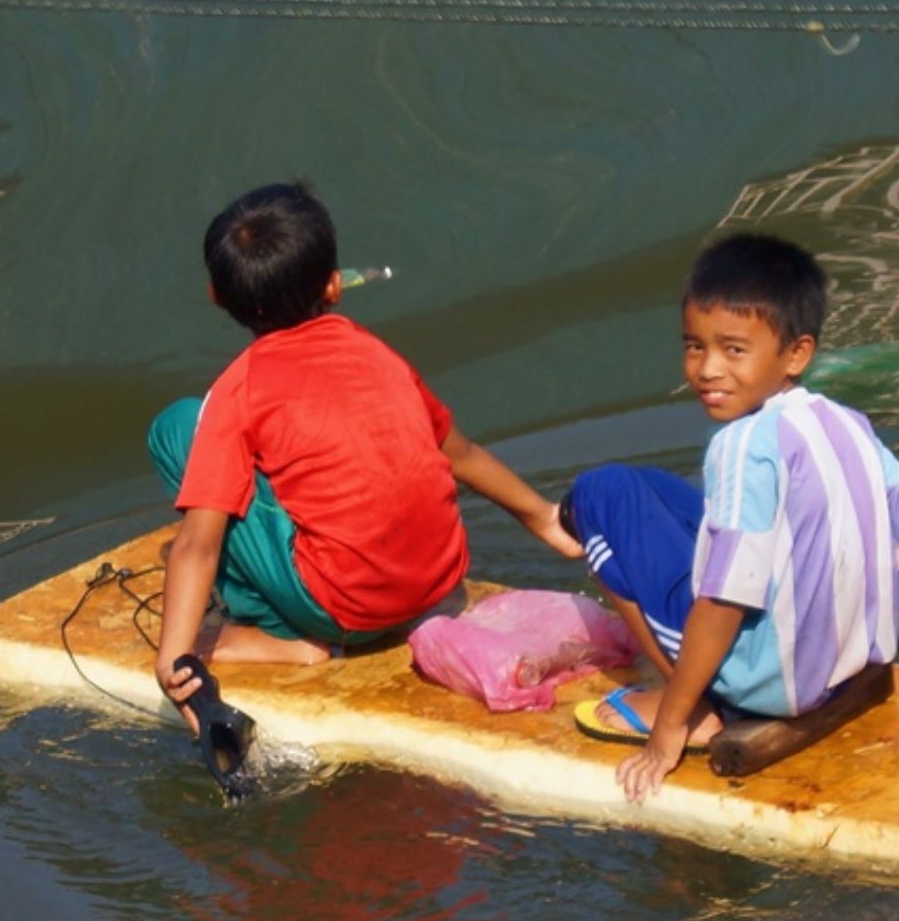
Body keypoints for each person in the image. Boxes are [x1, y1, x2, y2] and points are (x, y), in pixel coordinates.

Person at [566, 233, 899, 802]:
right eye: (695, 347)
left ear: (796, 354)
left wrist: (667, 732)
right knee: (647, 487)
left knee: (597, 495)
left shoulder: (740, 446)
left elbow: (723, 600)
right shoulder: (845, 422)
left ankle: (690, 706)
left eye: (733, 350)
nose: (707, 369)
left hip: (770, 686)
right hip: (852, 667)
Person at [150, 181, 581, 728]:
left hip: (343, 616)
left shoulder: (237, 390)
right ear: (334, 285)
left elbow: (198, 546)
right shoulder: (379, 356)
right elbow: (460, 453)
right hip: (438, 586)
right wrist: (542, 517)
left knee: (177, 428)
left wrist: (175, 659)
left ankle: (280, 635)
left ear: (216, 295)